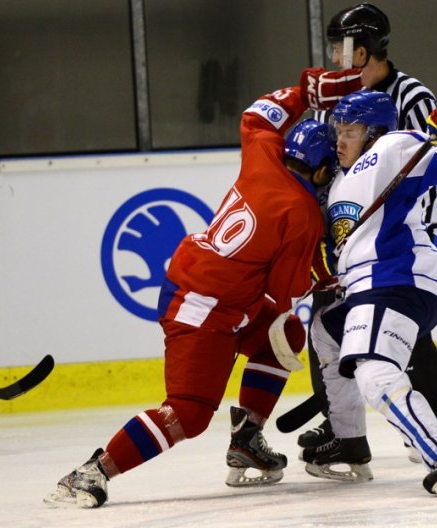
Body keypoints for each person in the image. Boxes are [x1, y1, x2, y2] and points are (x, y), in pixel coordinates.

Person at [44, 83, 337, 508]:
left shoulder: (262, 155)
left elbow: (257, 114)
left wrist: (308, 89)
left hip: (211, 289)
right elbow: (285, 291)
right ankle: (91, 471)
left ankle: (247, 438)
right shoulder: (304, 214)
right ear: (324, 171)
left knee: (285, 334)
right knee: (189, 413)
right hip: (204, 308)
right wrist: (326, 272)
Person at [296, 2, 437, 459]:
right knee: (329, 325)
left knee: (402, 328)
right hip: (355, 244)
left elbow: (424, 167)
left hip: (409, 238)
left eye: (344, 46)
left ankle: (426, 421)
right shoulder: (333, 104)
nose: (337, 57)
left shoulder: (412, 100)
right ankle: (346, 431)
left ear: (367, 47)